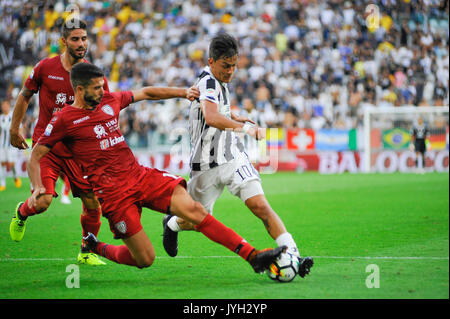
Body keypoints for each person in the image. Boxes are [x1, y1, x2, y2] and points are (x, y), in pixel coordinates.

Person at [26, 62, 284, 273]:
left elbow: (147, 93)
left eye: (103, 85)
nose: (103, 91)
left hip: (140, 176)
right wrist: (38, 185)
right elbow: (36, 154)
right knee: (145, 259)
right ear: (80, 90)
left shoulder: (109, 101)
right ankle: (95, 247)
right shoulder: (64, 120)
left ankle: (253, 257)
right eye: (96, 88)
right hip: (114, 196)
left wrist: (183, 92)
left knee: (194, 210)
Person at [162, 33, 313, 278]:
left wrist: (234, 116)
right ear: (211, 62)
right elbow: (210, 117)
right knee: (196, 220)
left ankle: (292, 254)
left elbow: (217, 112)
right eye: (226, 66)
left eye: (234, 65)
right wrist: (247, 128)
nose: (231, 71)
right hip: (205, 166)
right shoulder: (208, 82)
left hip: (232, 156)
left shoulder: (220, 81)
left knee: (259, 205)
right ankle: (170, 224)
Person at [9, 19, 109, 266]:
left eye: (84, 38)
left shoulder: (91, 74)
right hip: (47, 148)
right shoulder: (45, 67)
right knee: (43, 202)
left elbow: (101, 109)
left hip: (76, 150)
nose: (81, 43)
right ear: (64, 42)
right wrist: (14, 128)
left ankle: (87, 250)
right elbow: (24, 96)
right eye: (75, 39)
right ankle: (22, 212)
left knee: (92, 201)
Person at [0, 100, 22, 191]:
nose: (4, 107)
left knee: (12, 164)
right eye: (3, 106)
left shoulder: (13, 116)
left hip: (12, 145)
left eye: (6, 105)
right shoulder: (0, 117)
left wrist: (19, 140)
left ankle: (16, 177)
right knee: (2, 163)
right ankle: (2, 184)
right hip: (2, 145)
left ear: (9, 106)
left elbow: (19, 128)